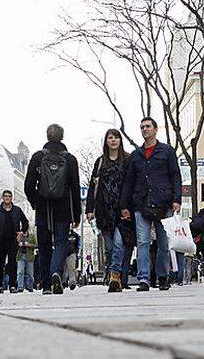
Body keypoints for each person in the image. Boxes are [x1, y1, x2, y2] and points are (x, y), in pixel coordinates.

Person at [120, 117, 183, 292]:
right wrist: (124, 206)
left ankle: (163, 277)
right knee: (143, 242)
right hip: (141, 203)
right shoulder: (136, 155)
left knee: (163, 244)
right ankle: (144, 278)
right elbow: (129, 181)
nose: (144, 129)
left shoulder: (167, 151)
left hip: (164, 203)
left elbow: (175, 175)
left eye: (148, 126)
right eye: (142, 127)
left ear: (155, 129)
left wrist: (177, 199)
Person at [25, 124, 82, 294]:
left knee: (43, 245)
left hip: (43, 207)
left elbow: (28, 185)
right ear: (62, 137)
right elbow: (75, 188)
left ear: (47, 136)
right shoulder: (70, 159)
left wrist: (36, 202)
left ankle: (46, 286)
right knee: (60, 243)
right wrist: (76, 213)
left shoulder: (37, 157)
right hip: (63, 207)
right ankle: (55, 272)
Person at [89, 129, 134, 292]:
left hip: (122, 211)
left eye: (116, 137)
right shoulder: (100, 162)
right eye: (110, 137)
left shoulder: (128, 160)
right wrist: (90, 209)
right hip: (104, 211)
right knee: (109, 247)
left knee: (119, 244)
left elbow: (131, 185)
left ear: (120, 140)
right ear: (106, 141)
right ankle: (113, 272)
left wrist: (130, 207)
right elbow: (92, 186)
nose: (113, 140)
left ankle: (115, 275)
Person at [0, 190, 29, 293]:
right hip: (0, 240)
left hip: (13, 240)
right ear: (2, 197)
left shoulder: (17, 210)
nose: (7, 198)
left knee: (12, 263)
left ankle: (12, 285)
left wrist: (21, 232)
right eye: (5, 196)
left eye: (9, 196)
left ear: (12, 198)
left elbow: (25, 222)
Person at [16, 226, 37, 292]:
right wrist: (19, 242)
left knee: (30, 273)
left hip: (30, 256)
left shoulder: (32, 236)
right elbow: (15, 244)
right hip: (20, 256)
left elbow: (36, 245)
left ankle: (30, 287)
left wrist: (28, 245)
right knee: (20, 272)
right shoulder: (19, 235)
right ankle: (20, 287)